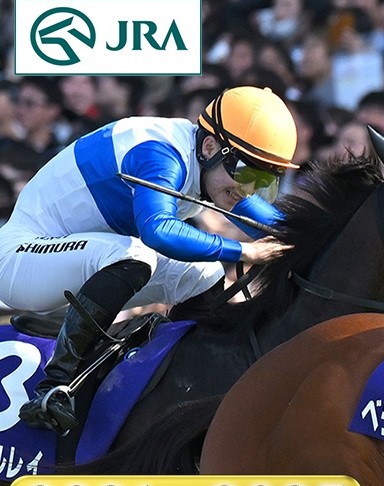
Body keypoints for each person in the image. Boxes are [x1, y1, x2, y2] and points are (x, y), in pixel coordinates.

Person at [0, 86, 298, 433]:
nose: (249, 190)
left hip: (81, 264)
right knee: (136, 255)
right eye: (247, 173)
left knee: (203, 274)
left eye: (264, 181)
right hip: (21, 260)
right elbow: (158, 230)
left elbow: (277, 225)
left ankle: (191, 378)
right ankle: (54, 386)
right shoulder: (161, 153)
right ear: (210, 147)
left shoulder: (211, 166)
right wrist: (244, 251)